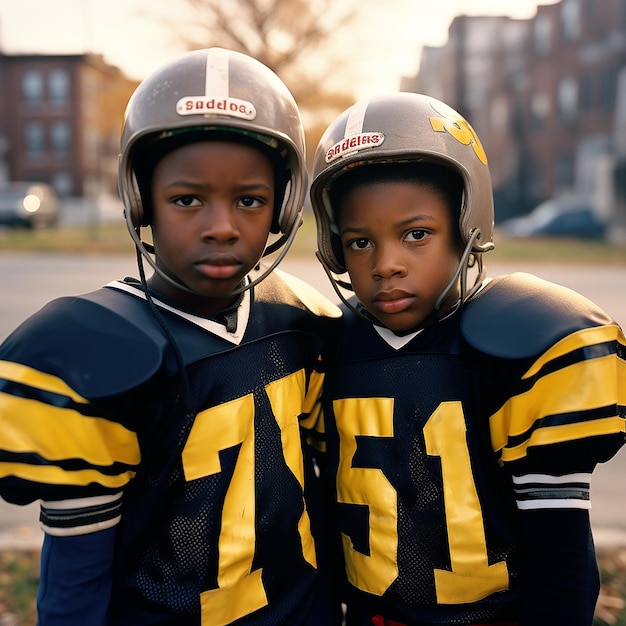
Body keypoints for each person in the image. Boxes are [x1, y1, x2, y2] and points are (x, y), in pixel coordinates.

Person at [0, 48, 342, 625]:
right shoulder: (92, 349)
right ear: (142, 201)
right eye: (187, 200)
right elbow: (76, 575)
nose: (221, 226)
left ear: (284, 206)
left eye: (250, 201)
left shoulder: (300, 318)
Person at [309, 92, 626, 626]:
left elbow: (563, 561)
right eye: (361, 242)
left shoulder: (515, 344)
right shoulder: (328, 346)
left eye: (416, 234)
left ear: (468, 226)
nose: (386, 264)